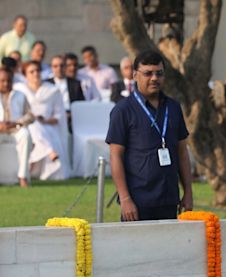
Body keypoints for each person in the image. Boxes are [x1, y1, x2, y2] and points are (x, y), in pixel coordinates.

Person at [106, 50, 193, 221]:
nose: (154, 78)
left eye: (159, 73)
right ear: (135, 75)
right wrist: (125, 199)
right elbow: (115, 156)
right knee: (135, 248)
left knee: (168, 248)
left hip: (168, 198)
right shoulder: (122, 110)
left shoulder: (173, 108)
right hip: (137, 201)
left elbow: (182, 152)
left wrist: (188, 193)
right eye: (148, 73)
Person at [14, 61, 71, 180]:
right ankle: (50, 151)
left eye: (38, 71)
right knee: (32, 125)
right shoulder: (19, 90)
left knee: (35, 125)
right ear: (25, 75)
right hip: (24, 125)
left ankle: (32, 163)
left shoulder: (52, 90)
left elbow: (58, 117)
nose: (36, 74)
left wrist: (45, 121)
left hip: (47, 125)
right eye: (32, 72)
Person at [0, 66, 33, 187]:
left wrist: (17, 123)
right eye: (2, 81)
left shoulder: (20, 95)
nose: (6, 83)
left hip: (16, 129)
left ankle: (22, 176)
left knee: (25, 134)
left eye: (8, 80)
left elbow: (30, 116)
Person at [47, 55, 85, 133]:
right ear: (51, 68)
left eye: (62, 66)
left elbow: (81, 104)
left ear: (65, 67)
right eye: (55, 66)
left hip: (71, 117)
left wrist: (71, 114)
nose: (59, 69)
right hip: (51, 117)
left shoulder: (75, 84)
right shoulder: (46, 84)